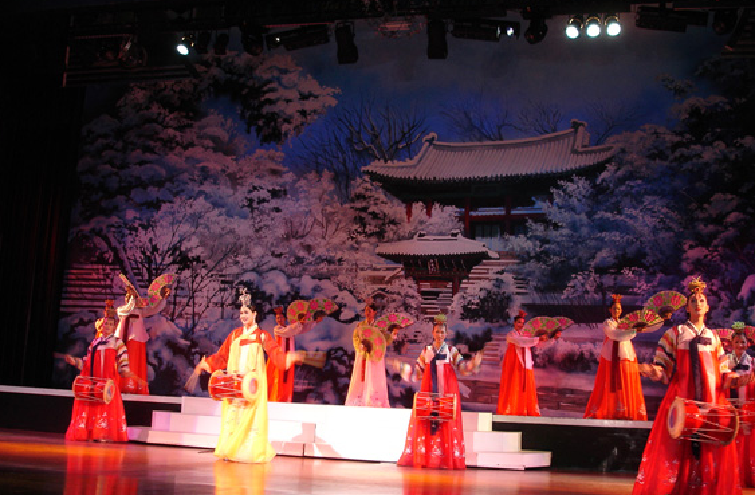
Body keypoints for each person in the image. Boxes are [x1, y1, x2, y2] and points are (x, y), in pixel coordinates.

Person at [634, 277, 742, 495]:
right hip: (682, 396)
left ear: (707, 307)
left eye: (702, 300)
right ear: (687, 308)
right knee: (676, 443)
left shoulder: (714, 337)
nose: (698, 303)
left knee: (709, 445)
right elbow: (663, 367)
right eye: (693, 300)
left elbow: (723, 370)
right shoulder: (675, 333)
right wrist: (650, 370)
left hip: (711, 397)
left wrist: (738, 379)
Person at [190, 289, 300, 463]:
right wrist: (207, 364)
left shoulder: (262, 336)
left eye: (246, 312)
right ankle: (231, 449)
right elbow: (222, 356)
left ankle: (247, 451)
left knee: (250, 416)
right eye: (241, 313)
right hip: (234, 383)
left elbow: (275, 352)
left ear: (254, 314)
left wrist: (287, 359)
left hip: (251, 384)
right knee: (234, 416)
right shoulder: (235, 335)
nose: (243, 316)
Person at [397, 314, 482, 469]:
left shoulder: (451, 350)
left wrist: (472, 364)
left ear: (446, 333)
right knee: (428, 419)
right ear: (433, 333)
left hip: (448, 389)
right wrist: (404, 368)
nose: (440, 335)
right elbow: (418, 372)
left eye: (442, 332)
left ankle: (445, 457)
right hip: (430, 389)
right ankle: (429, 457)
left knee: (446, 420)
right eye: (437, 331)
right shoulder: (426, 351)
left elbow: (462, 368)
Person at [64, 300, 138, 442]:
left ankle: (105, 433)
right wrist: (74, 361)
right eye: (105, 324)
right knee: (93, 404)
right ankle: (91, 432)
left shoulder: (117, 342)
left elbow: (123, 359)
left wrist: (124, 369)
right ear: (101, 326)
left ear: (114, 327)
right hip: (95, 378)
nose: (107, 326)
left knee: (107, 403)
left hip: (108, 379)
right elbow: (86, 361)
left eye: (110, 324)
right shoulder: (94, 343)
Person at [584, 294, 647, 420]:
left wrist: (636, 329)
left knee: (626, 382)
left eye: (618, 308)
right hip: (611, 356)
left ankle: (626, 410)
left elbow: (625, 335)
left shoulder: (627, 323)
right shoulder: (608, 323)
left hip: (625, 354)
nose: (616, 311)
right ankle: (610, 410)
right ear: (610, 310)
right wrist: (633, 331)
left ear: (621, 310)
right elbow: (615, 334)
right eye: (614, 308)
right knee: (611, 382)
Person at [115, 281, 170, 394]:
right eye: (131, 297)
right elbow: (128, 308)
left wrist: (163, 299)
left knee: (135, 363)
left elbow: (154, 309)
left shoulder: (140, 312)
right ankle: (122, 385)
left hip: (137, 340)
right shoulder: (121, 310)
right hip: (124, 341)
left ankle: (134, 386)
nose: (134, 300)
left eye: (135, 297)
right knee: (124, 362)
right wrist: (132, 296)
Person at [346, 301, 397, 408]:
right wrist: (361, 346)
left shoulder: (379, 326)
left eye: (370, 310)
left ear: (375, 312)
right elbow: (355, 339)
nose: (367, 313)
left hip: (375, 357)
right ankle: (359, 399)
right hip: (363, 355)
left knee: (375, 377)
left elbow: (385, 341)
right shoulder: (360, 325)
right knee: (360, 377)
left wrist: (393, 334)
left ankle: (374, 400)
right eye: (366, 310)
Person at [266, 306, 321, 402]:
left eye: (281, 318)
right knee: (278, 378)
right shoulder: (277, 329)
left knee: (287, 379)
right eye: (277, 318)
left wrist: (314, 322)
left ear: (285, 319)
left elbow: (302, 329)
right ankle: (276, 398)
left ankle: (286, 398)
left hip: (288, 358)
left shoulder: (291, 329)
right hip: (280, 357)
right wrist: (299, 322)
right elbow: (289, 331)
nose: (279, 320)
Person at [496, 310, 544, 416]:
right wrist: (537, 339)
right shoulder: (510, 335)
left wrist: (547, 338)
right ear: (514, 323)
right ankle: (512, 409)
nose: (520, 325)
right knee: (513, 384)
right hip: (514, 362)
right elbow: (520, 342)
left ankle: (525, 409)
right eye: (518, 322)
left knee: (525, 385)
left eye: (522, 323)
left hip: (525, 364)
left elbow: (534, 343)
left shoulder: (526, 335)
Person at [726, 329, 755, 487]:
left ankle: (745, 475)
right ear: (731, 344)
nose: (740, 345)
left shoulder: (752, 362)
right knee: (731, 437)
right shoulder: (725, 360)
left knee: (745, 440)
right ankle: (731, 475)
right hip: (729, 403)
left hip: (745, 405)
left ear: (748, 344)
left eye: (743, 342)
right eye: (736, 342)